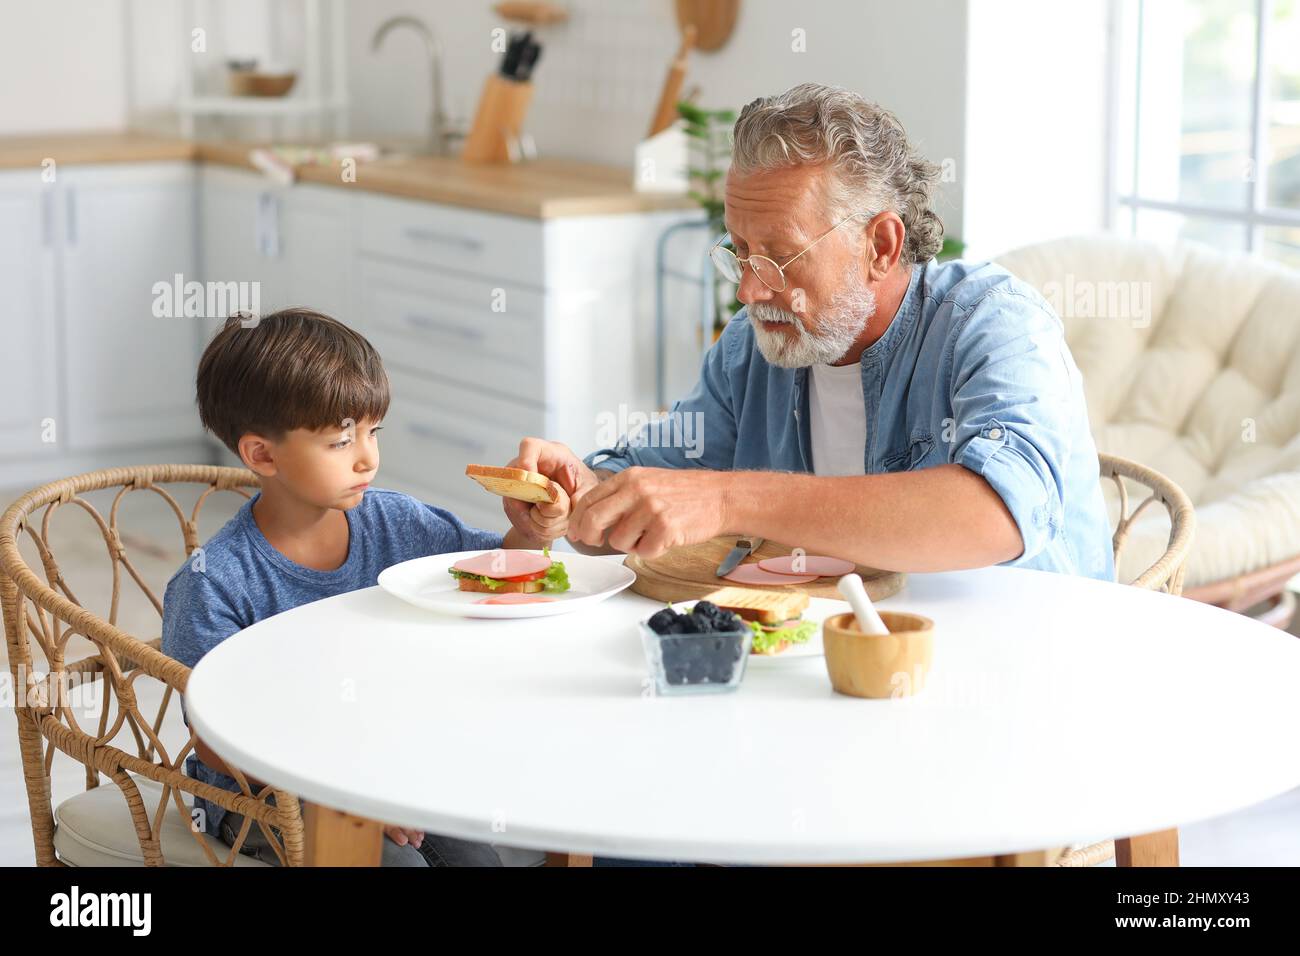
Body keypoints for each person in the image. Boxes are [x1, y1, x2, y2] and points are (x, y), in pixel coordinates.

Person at [503, 82, 1114, 584]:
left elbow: (1000, 512)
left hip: (1024, 670)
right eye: (740, 252)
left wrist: (726, 500)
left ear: (880, 244)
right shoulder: (753, 347)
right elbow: (659, 480)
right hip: (832, 671)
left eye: (780, 258)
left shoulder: (995, 322)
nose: (748, 291)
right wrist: (579, 491)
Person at [162, 308, 567, 866]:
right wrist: (347, 790)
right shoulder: (216, 584)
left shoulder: (393, 523)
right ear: (262, 454)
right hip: (258, 798)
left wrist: (528, 525)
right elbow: (215, 740)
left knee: (478, 859)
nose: (368, 457)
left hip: (386, 764)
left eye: (373, 432)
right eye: (340, 441)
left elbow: (487, 573)